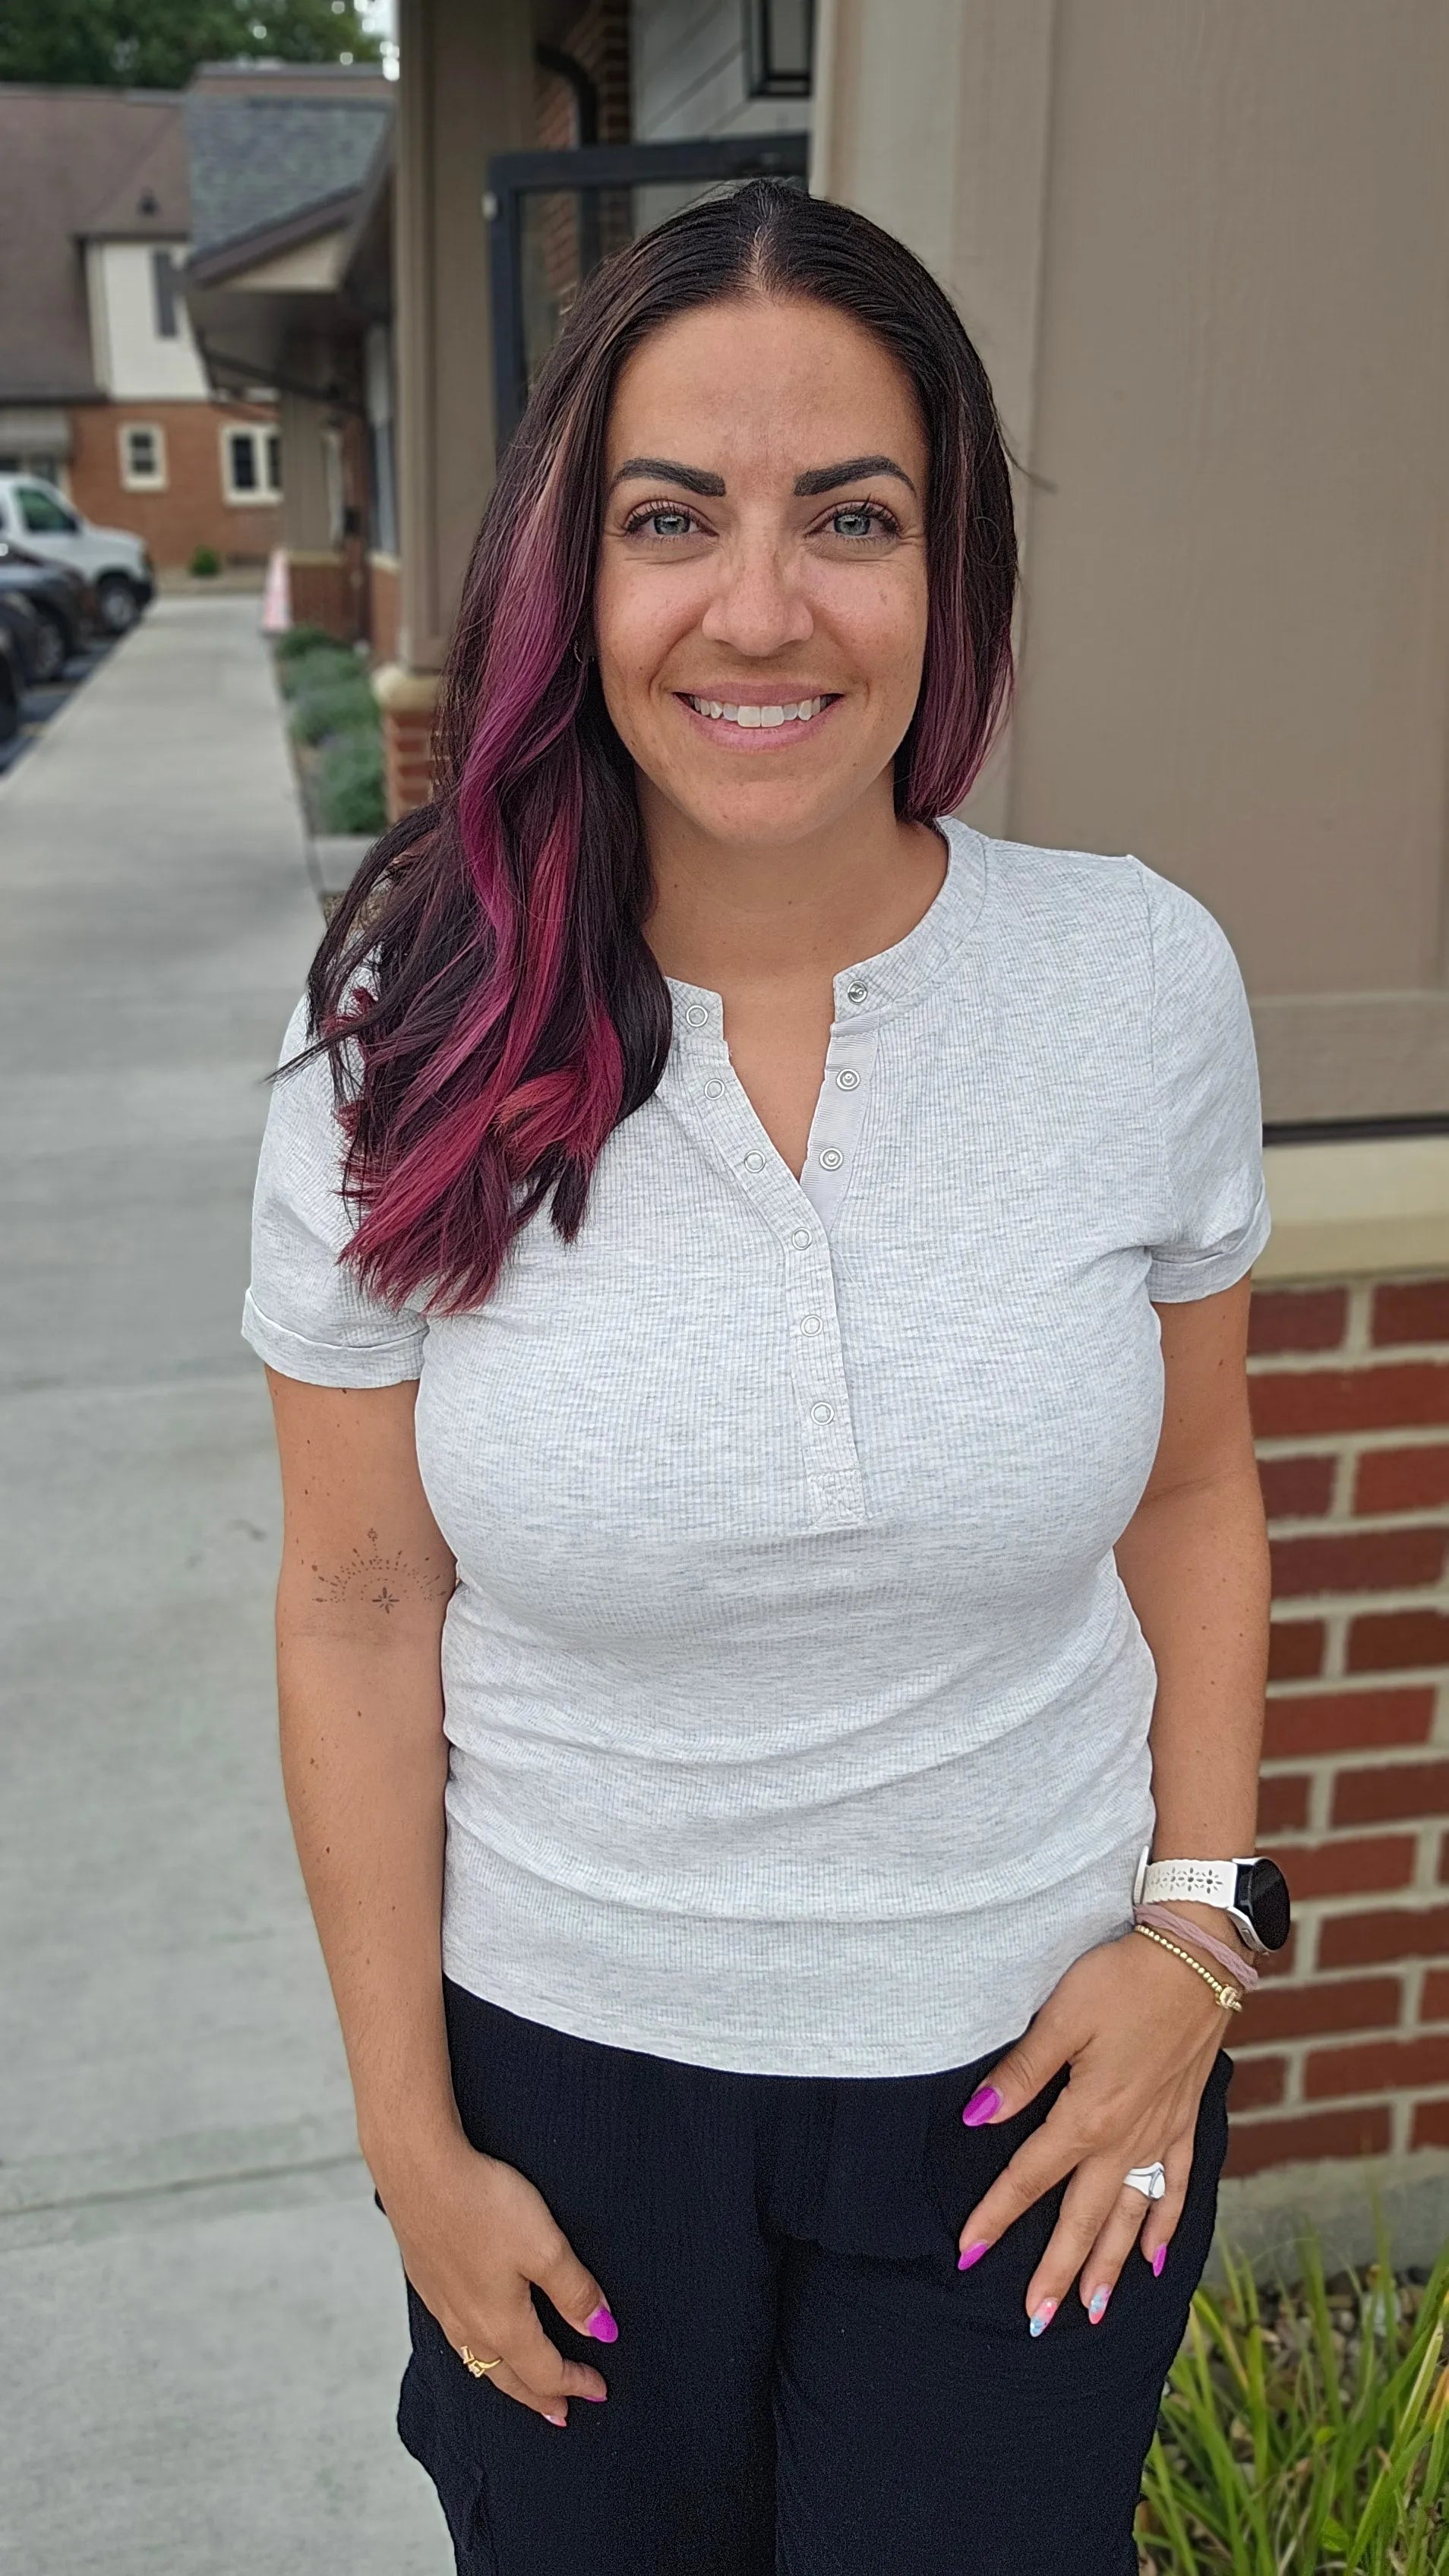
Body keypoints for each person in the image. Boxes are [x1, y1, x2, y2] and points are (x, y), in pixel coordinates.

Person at [243, 178, 1288, 2576]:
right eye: (670, 518)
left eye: (851, 518)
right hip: (564, 2095)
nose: (760, 607)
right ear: (569, 575)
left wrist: (1197, 1939)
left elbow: (1195, 1497)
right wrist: (409, 2142)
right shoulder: (396, 1044)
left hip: (1031, 2076)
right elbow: (357, 1605)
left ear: (949, 578)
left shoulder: (1131, 986)